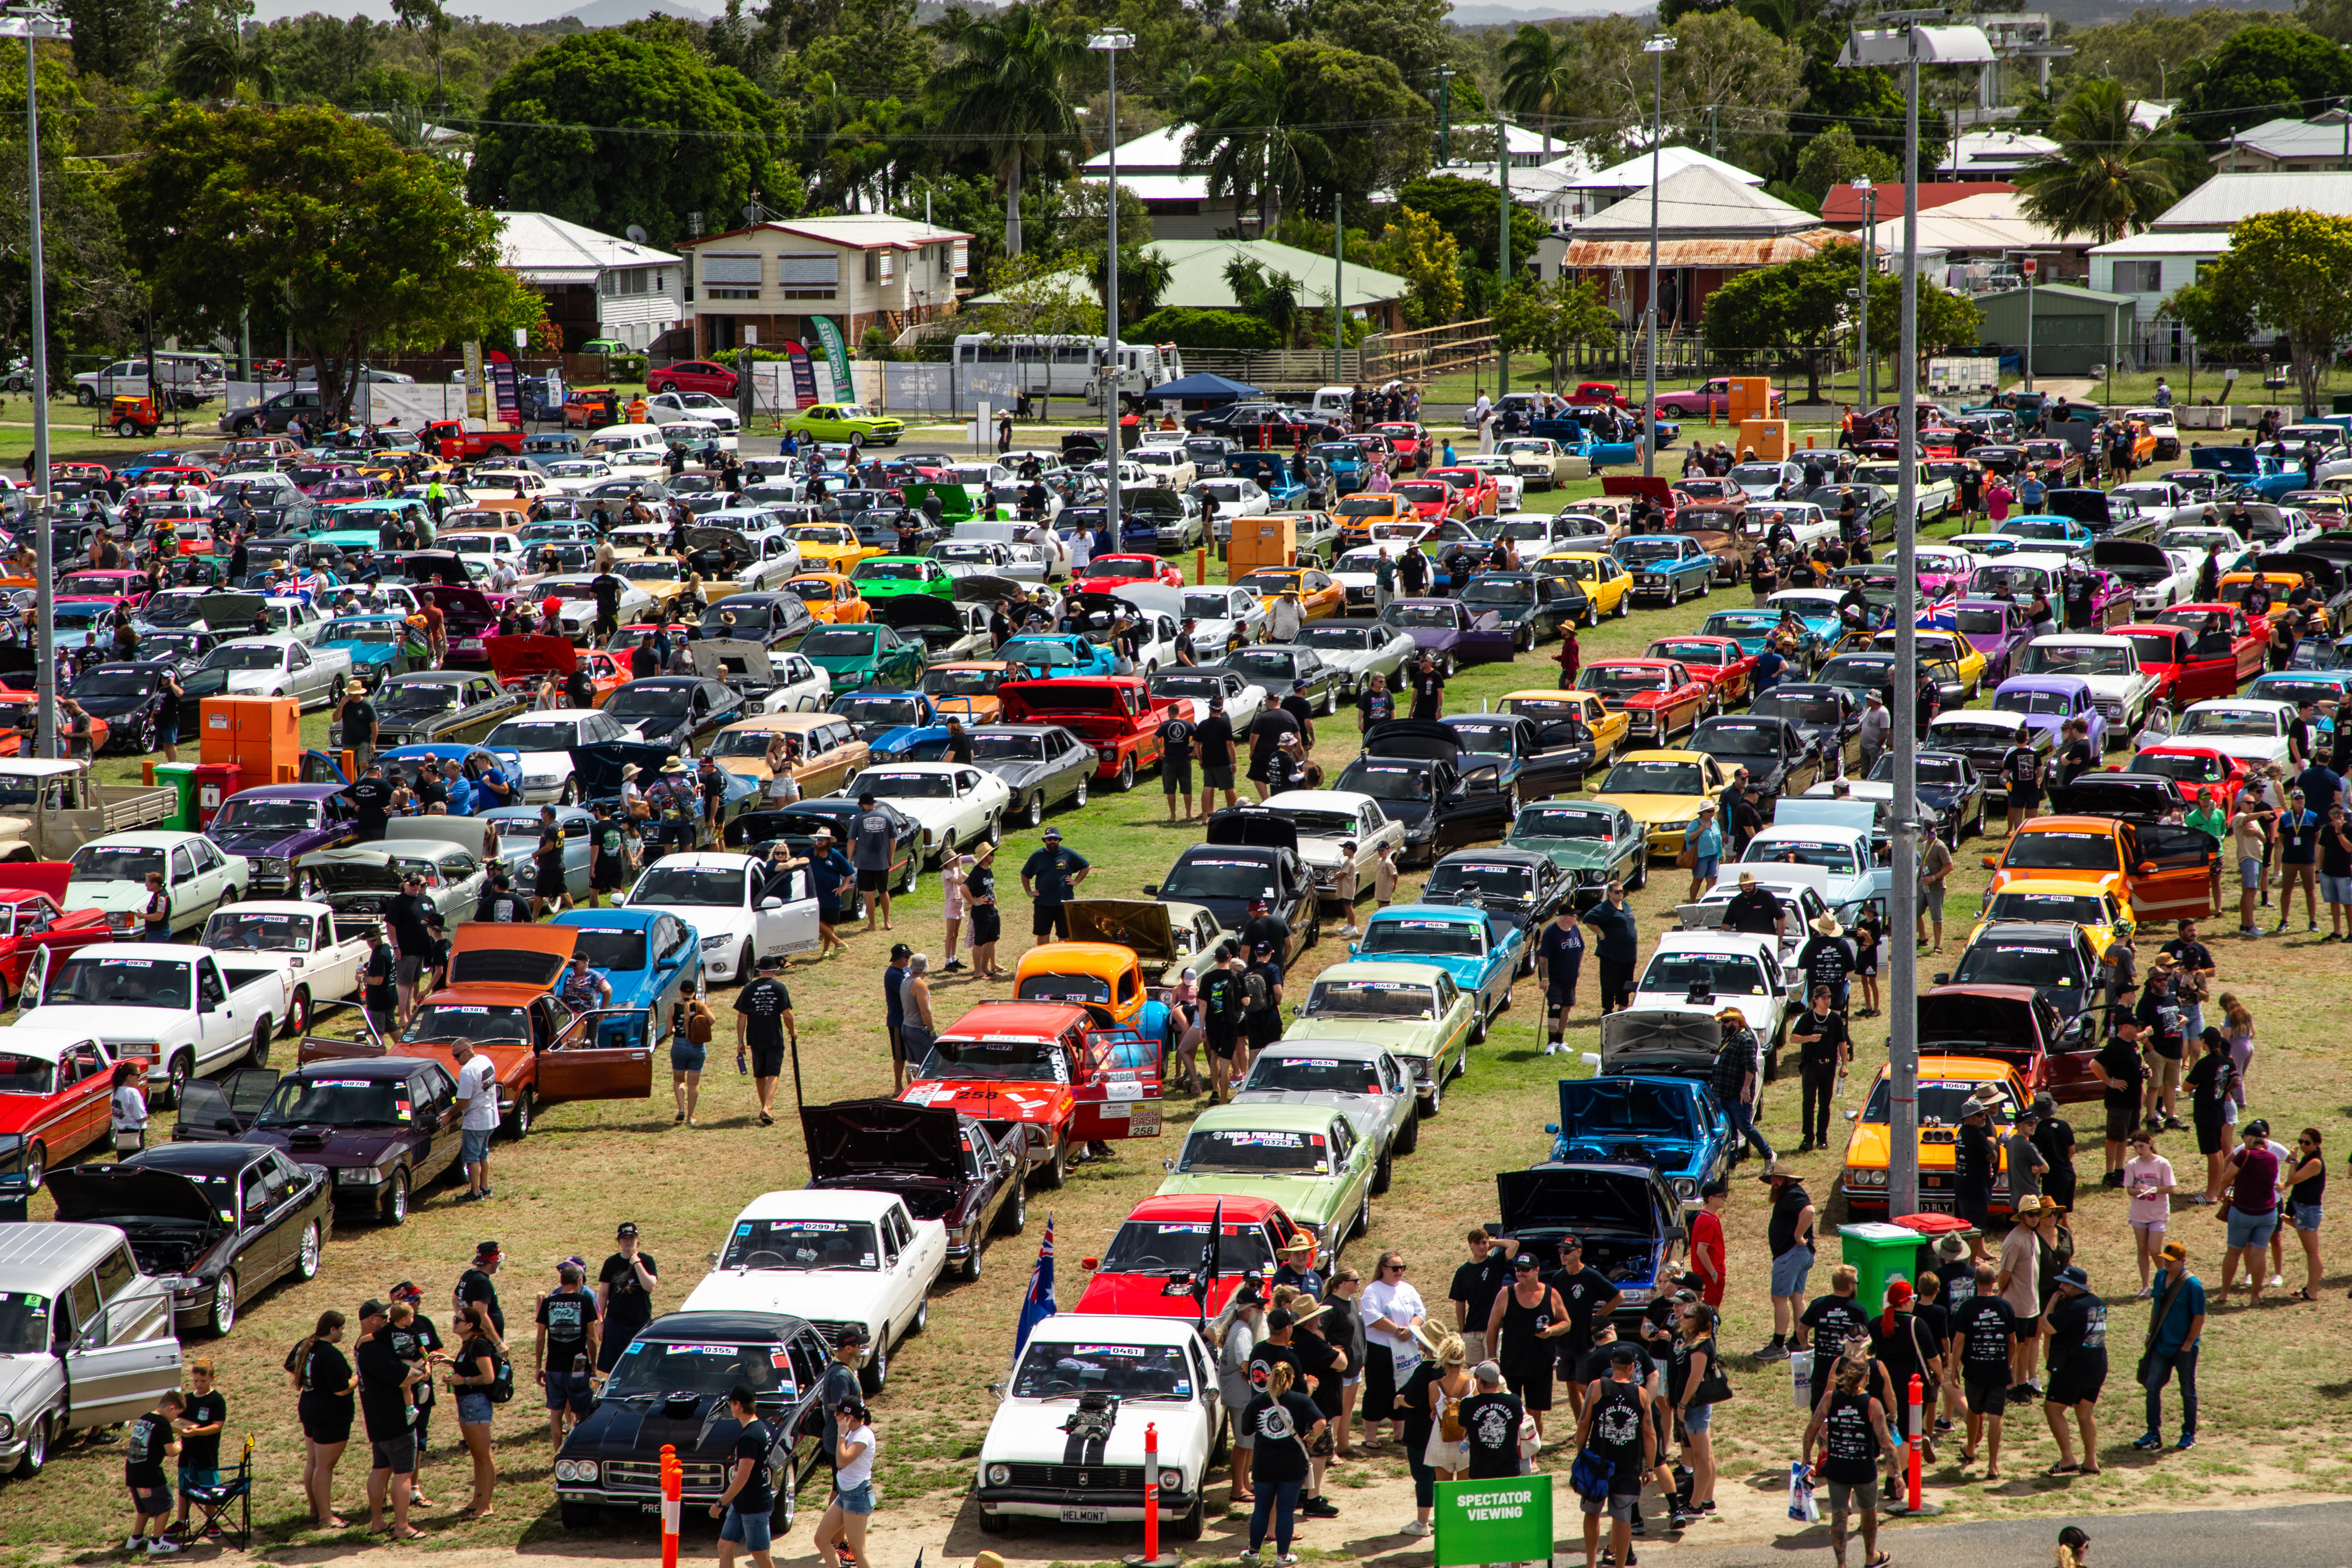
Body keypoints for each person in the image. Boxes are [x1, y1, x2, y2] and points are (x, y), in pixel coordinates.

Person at [1573, 1345, 1655, 1568]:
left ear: (1612, 1364)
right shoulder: (1642, 1394)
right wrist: (1649, 1467)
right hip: (1627, 1465)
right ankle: (1620, 1565)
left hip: (1598, 1463)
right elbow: (1649, 1434)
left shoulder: (1596, 1387)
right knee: (1622, 1518)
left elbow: (1583, 1424)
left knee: (1592, 1513)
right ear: (1631, 1367)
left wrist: (1581, 1454)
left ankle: (1591, 1564)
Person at [354, 1297, 426, 1540]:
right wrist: (423, 1373)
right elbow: (404, 1377)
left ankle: (377, 1522)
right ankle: (402, 1527)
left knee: (380, 1467)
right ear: (372, 1320)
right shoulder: (375, 1349)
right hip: (395, 1417)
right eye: (384, 1318)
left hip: (375, 1416)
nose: (388, 1321)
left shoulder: (362, 1346)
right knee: (403, 1472)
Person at [1240, 1363, 1323, 1563]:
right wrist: (1312, 1437)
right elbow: (1321, 1423)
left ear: (1270, 1378)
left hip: (1264, 1464)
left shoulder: (1258, 1401)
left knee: (1261, 1509)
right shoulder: (1301, 1400)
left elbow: (1245, 1430)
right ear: (1291, 1379)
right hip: (1292, 1465)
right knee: (1286, 1511)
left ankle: (1253, 1552)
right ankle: (1283, 1556)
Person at [1397, 1331, 1468, 1537]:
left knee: (1433, 1482)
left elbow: (1426, 1406)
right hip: (1462, 1439)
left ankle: (1431, 1524)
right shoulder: (1470, 1382)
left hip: (1435, 1438)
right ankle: (1455, 1522)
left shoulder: (1431, 1380)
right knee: (1460, 1486)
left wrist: (1399, 1400)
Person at [2135, 1242, 2203, 1452]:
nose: (2167, 1264)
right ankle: (2153, 1433)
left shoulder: (2193, 1285)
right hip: (2161, 1344)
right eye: (2166, 1260)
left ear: (2183, 1261)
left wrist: (2188, 1344)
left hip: (2183, 1348)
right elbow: (2156, 1307)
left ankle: (2188, 1434)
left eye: (2172, 1261)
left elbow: (2199, 1317)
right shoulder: (2160, 1277)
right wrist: (2150, 1333)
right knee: (2152, 1386)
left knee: (2187, 1391)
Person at [1951, 1262, 2018, 1478]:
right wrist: (2008, 1364)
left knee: (1974, 1409)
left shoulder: (1967, 1307)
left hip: (1975, 1368)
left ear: (1975, 1282)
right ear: (1993, 1281)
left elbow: (1959, 1341)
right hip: (1998, 1368)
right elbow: (2013, 1341)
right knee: (1996, 1417)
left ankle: (1971, 1448)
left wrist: (1954, 1368)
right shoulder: (2005, 1307)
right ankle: (1993, 1466)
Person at [2040, 1265, 2106, 1475]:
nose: (2061, 1287)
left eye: (2065, 1284)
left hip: (2073, 1368)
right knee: (2085, 1413)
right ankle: (2091, 1461)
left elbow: (2047, 1327)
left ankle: (2068, 1459)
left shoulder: (2074, 1307)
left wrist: (2051, 1303)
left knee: (2053, 1409)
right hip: (2096, 1366)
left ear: (2077, 1287)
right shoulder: (2097, 1302)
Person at [1359, 1250, 1426, 1449]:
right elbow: (1373, 1317)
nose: (1400, 1271)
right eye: (1395, 1268)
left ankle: (1400, 1434)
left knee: (1404, 1388)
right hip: (1381, 1349)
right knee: (1378, 1390)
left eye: (1402, 1268)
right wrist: (1397, 1330)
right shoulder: (1373, 1290)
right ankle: (1371, 1436)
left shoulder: (1408, 1289)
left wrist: (1410, 1329)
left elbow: (1421, 1312)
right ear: (1383, 1269)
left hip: (1406, 1348)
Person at [535, 1260, 600, 1456]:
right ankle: (580, 1453)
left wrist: (538, 1366)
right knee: (581, 1412)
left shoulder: (548, 1303)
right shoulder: (585, 1302)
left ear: (561, 1281)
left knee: (556, 1413)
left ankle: (558, 1454)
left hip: (554, 1366)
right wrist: (593, 1365)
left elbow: (540, 1337)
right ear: (579, 1281)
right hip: (578, 1366)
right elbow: (592, 1338)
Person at [712, 1385, 781, 1568]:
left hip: (754, 1505)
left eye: (731, 1404)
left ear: (738, 1405)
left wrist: (720, 1503)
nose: (730, 1407)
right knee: (725, 1546)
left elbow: (742, 1477)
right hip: (742, 1502)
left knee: (760, 1554)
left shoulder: (750, 1436)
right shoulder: (760, 1428)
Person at [2218, 1122, 2281, 1305]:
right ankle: (2255, 1296)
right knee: (2259, 1254)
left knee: (2233, 1252)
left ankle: (2224, 1293)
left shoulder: (2244, 1155)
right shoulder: (2272, 1158)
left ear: (2250, 1138)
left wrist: (2221, 1191)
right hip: (2267, 1213)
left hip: (2243, 1211)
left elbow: (2227, 1177)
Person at [1759, 1160, 1815, 1361]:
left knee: (1779, 1299)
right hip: (1800, 1254)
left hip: (1791, 1254)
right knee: (1797, 1297)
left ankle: (1778, 1346)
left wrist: (1798, 1235)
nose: (1773, 1182)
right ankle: (1799, 1342)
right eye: (1772, 1179)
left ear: (1788, 1179)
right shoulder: (1791, 1194)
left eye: (1777, 1178)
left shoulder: (1793, 1194)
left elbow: (1809, 1211)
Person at [733, 952, 797, 1128]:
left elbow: (741, 1016)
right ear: (775, 971)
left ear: (760, 971)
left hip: (755, 1037)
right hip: (774, 1036)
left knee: (760, 1074)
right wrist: (792, 1031)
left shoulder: (749, 988)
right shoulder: (779, 988)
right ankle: (767, 1108)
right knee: (773, 1073)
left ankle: (764, 1107)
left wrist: (740, 1041)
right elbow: (787, 1014)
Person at [125, 1388, 186, 1556]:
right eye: (177, 1415)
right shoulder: (163, 1424)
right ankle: (157, 1542)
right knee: (166, 1504)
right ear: (171, 1408)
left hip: (133, 1470)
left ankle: (136, 1539)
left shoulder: (144, 1418)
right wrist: (181, 1444)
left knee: (143, 1508)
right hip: (151, 1474)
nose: (177, 1419)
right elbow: (171, 1451)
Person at [1791, 985, 1850, 1154]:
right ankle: (1808, 1138)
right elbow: (1793, 1038)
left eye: (1829, 998)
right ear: (1815, 1000)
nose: (1827, 1001)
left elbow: (1842, 1043)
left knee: (1825, 1103)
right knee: (1809, 1102)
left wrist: (1845, 1065)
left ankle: (1822, 1138)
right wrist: (1809, 1038)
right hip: (1810, 1065)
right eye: (1824, 998)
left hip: (1828, 1066)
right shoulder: (1807, 1018)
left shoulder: (1835, 1019)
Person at [1714, 1010, 1771, 1162]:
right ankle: (1731, 1164)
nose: (1723, 1025)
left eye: (1726, 1021)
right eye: (1722, 1022)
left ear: (1737, 1022)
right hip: (1725, 1094)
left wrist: (1745, 1089)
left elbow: (1750, 1067)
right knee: (1730, 1130)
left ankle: (1769, 1155)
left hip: (1738, 1095)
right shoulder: (1727, 1040)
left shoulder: (1745, 1040)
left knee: (1745, 1127)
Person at [1021, 826, 1089, 942]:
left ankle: (1063, 955)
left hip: (1064, 903)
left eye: (1055, 839)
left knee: (1065, 935)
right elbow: (1025, 875)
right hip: (1043, 903)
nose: (1053, 841)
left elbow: (1086, 867)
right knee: (1043, 934)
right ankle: (1043, 954)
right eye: (1050, 839)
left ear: (1059, 840)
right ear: (1045, 841)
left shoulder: (1068, 854)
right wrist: (1029, 892)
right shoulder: (1037, 856)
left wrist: (1076, 881)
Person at [451, 1038, 499, 1202]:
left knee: (472, 1158)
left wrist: (448, 1115)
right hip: (491, 1117)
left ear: (467, 1051)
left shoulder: (467, 1071)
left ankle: (475, 1192)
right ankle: (485, 1188)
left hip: (476, 1121)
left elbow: (464, 1101)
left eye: (457, 1055)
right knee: (483, 1154)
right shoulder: (486, 1060)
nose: (455, 1059)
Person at [1581, 881, 1638, 1013]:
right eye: (1617, 892)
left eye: (1622, 891)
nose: (1620, 894)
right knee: (1610, 982)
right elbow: (1588, 919)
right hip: (1611, 953)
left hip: (1629, 953)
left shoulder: (1626, 905)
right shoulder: (1605, 908)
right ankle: (1608, 1009)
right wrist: (1601, 934)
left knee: (1626, 981)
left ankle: (1623, 1006)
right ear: (1610, 893)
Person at [1535, 904, 1584, 1051]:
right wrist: (1545, 979)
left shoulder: (1575, 929)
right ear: (1566, 917)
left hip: (1570, 978)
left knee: (1566, 1008)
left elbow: (1582, 948)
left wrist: (1579, 967)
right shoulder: (1551, 932)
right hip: (1554, 978)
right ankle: (1551, 1043)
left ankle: (1560, 1041)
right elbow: (1543, 958)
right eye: (1574, 915)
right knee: (1555, 1007)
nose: (1576, 917)